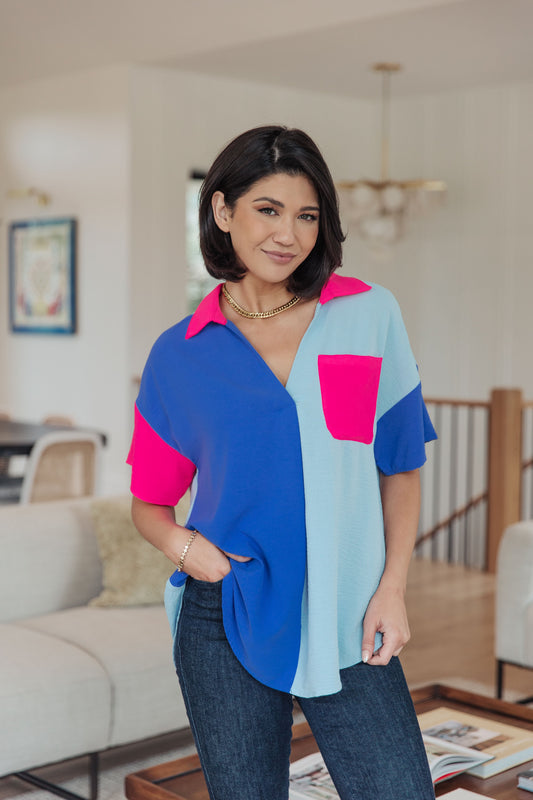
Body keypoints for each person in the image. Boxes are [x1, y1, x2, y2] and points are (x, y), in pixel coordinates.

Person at [128, 125, 437, 800]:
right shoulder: (180, 353)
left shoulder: (368, 315)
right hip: (224, 613)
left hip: (350, 608)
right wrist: (193, 555)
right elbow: (149, 504)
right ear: (222, 210)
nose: (287, 235)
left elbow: (401, 465)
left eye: (306, 215)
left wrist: (392, 587)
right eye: (267, 210)